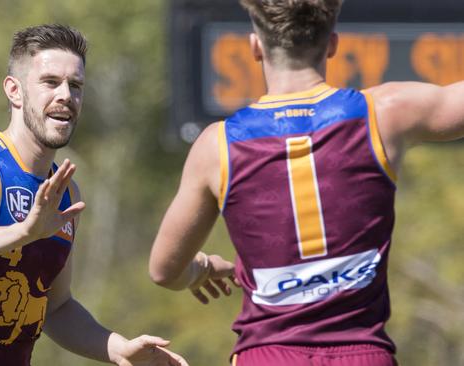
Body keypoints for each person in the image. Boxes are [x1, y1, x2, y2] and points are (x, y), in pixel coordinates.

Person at [148, 1, 464, 365]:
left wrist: (200, 270)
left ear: (254, 46)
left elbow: (163, 269)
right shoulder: (383, 114)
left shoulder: (217, 146)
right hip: (363, 355)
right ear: (332, 44)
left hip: (266, 357)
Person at [0, 24, 188, 366]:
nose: (66, 96)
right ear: (14, 91)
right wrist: (24, 232)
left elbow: (56, 306)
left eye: (76, 86)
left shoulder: (66, 191)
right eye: (50, 82)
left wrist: (117, 349)